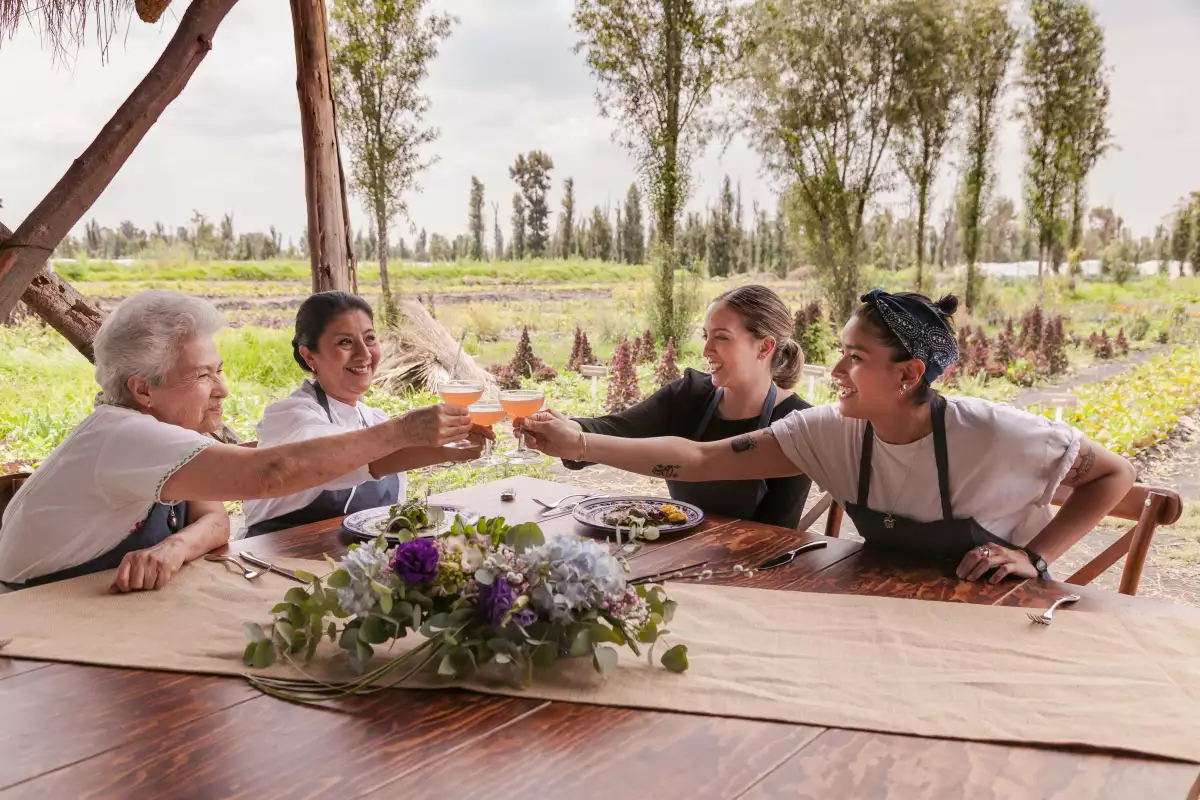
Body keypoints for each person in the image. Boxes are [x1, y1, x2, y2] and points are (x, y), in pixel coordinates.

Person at [524, 290, 1137, 583]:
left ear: (908, 374)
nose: (835, 373)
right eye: (839, 354)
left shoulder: (995, 430)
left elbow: (1115, 475)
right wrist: (579, 443)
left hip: (996, 616)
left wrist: (1034, 557)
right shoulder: (827, 431)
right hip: (886, 605)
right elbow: (698, 458)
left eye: (854, 359)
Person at [0, 291, 472, 593]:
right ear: (143, 389)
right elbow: (270, 473)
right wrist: (403, 430)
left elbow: (216, 523)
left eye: (219, 370)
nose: (223, 391)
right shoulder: (123, 437)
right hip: (30, 624)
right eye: (204, 375)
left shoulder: (174, 439)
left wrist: (173, 548)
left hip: (93, 609)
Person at [521, 285, 813, 527]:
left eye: (721, 337)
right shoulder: (688, 395)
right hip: (677, 549)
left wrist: (578, 442)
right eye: (706, 335)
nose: (706, 350)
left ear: (764, 347)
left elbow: (778, 535)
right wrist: (567, 428)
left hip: (744, 574)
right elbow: (619, 428)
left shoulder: (796, 425)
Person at [244, 292, 489, 536]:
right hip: (275, 564)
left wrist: (464, 442)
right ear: (309, 356)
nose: (364, 354)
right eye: (345, 342)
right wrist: (407, 429)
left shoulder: (376, 420)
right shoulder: (289, 416)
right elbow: (331, 458)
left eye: (370, 338)